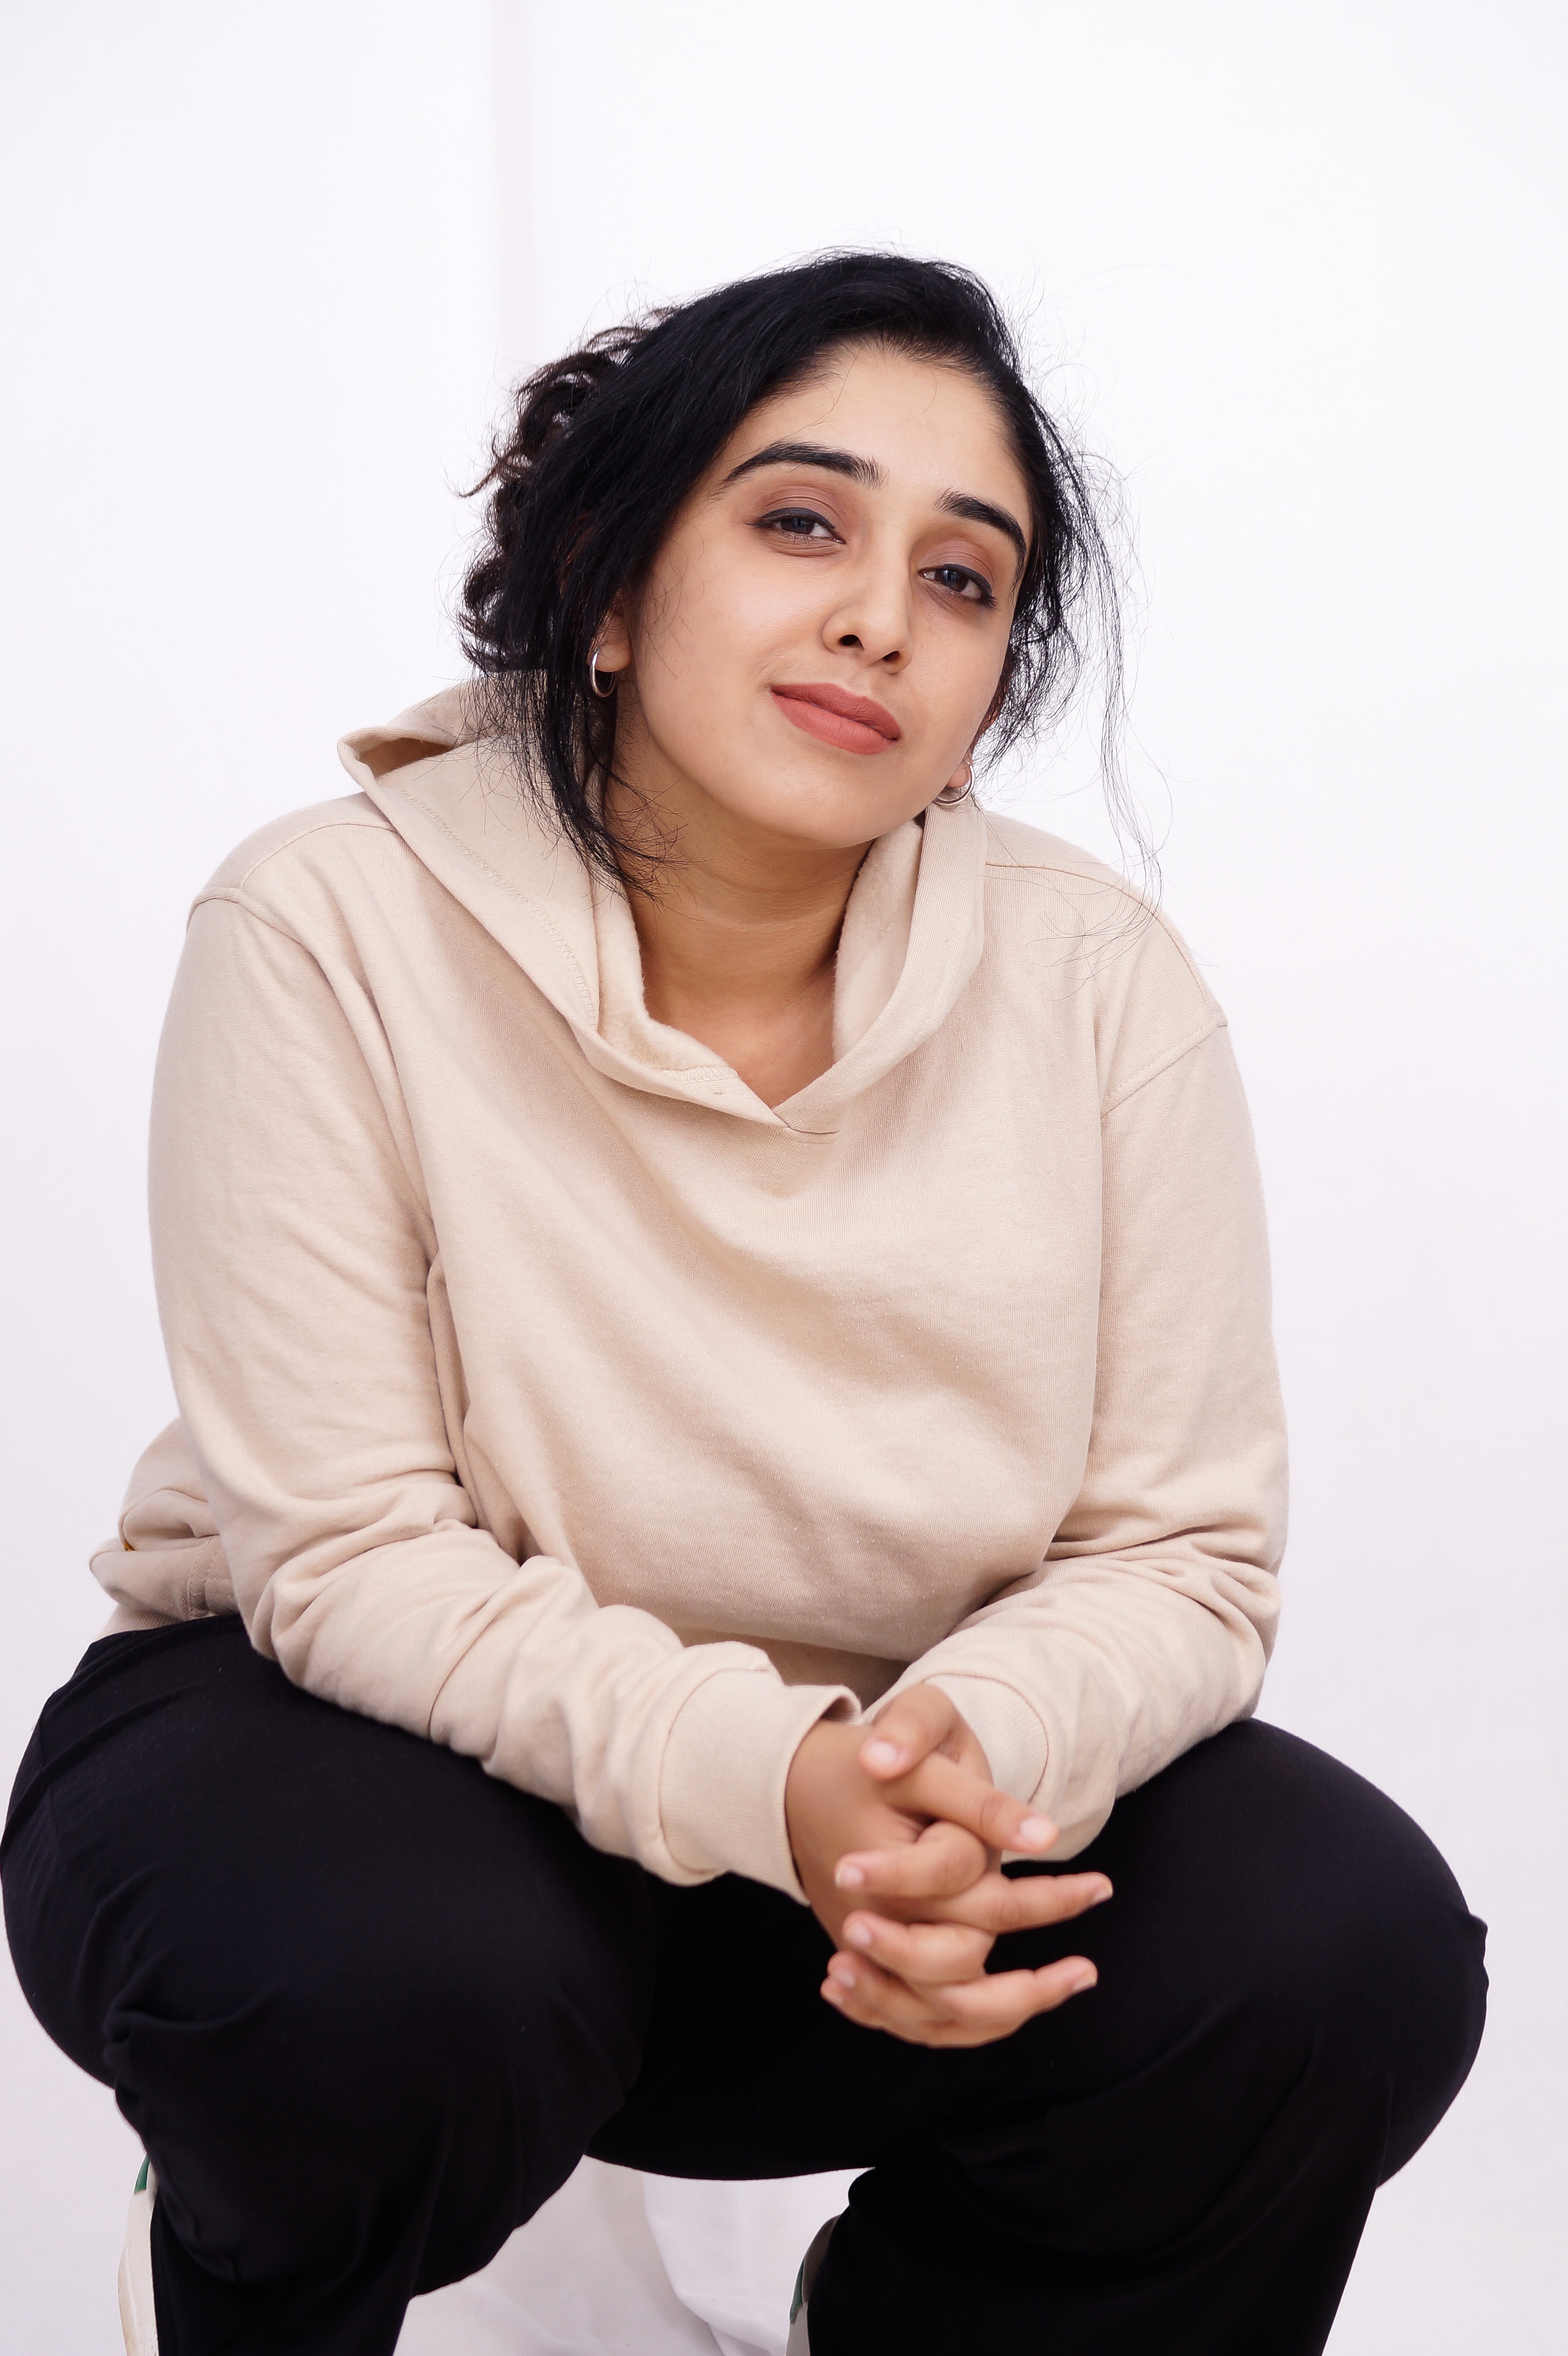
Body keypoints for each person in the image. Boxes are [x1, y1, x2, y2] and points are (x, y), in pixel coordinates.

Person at [3, 253, 1484, 2356]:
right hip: (370, 1777)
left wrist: (954, 1760)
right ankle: (243, 2269)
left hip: (883, 1851)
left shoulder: (1094, 983)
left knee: (1335, 1943)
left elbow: (1178, 1547)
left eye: (962, 578)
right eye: (801, 522)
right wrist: (766, 1776)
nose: (883, 611)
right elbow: (343, 1551)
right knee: (370, 1985)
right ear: (608, 589)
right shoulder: (324, 919)